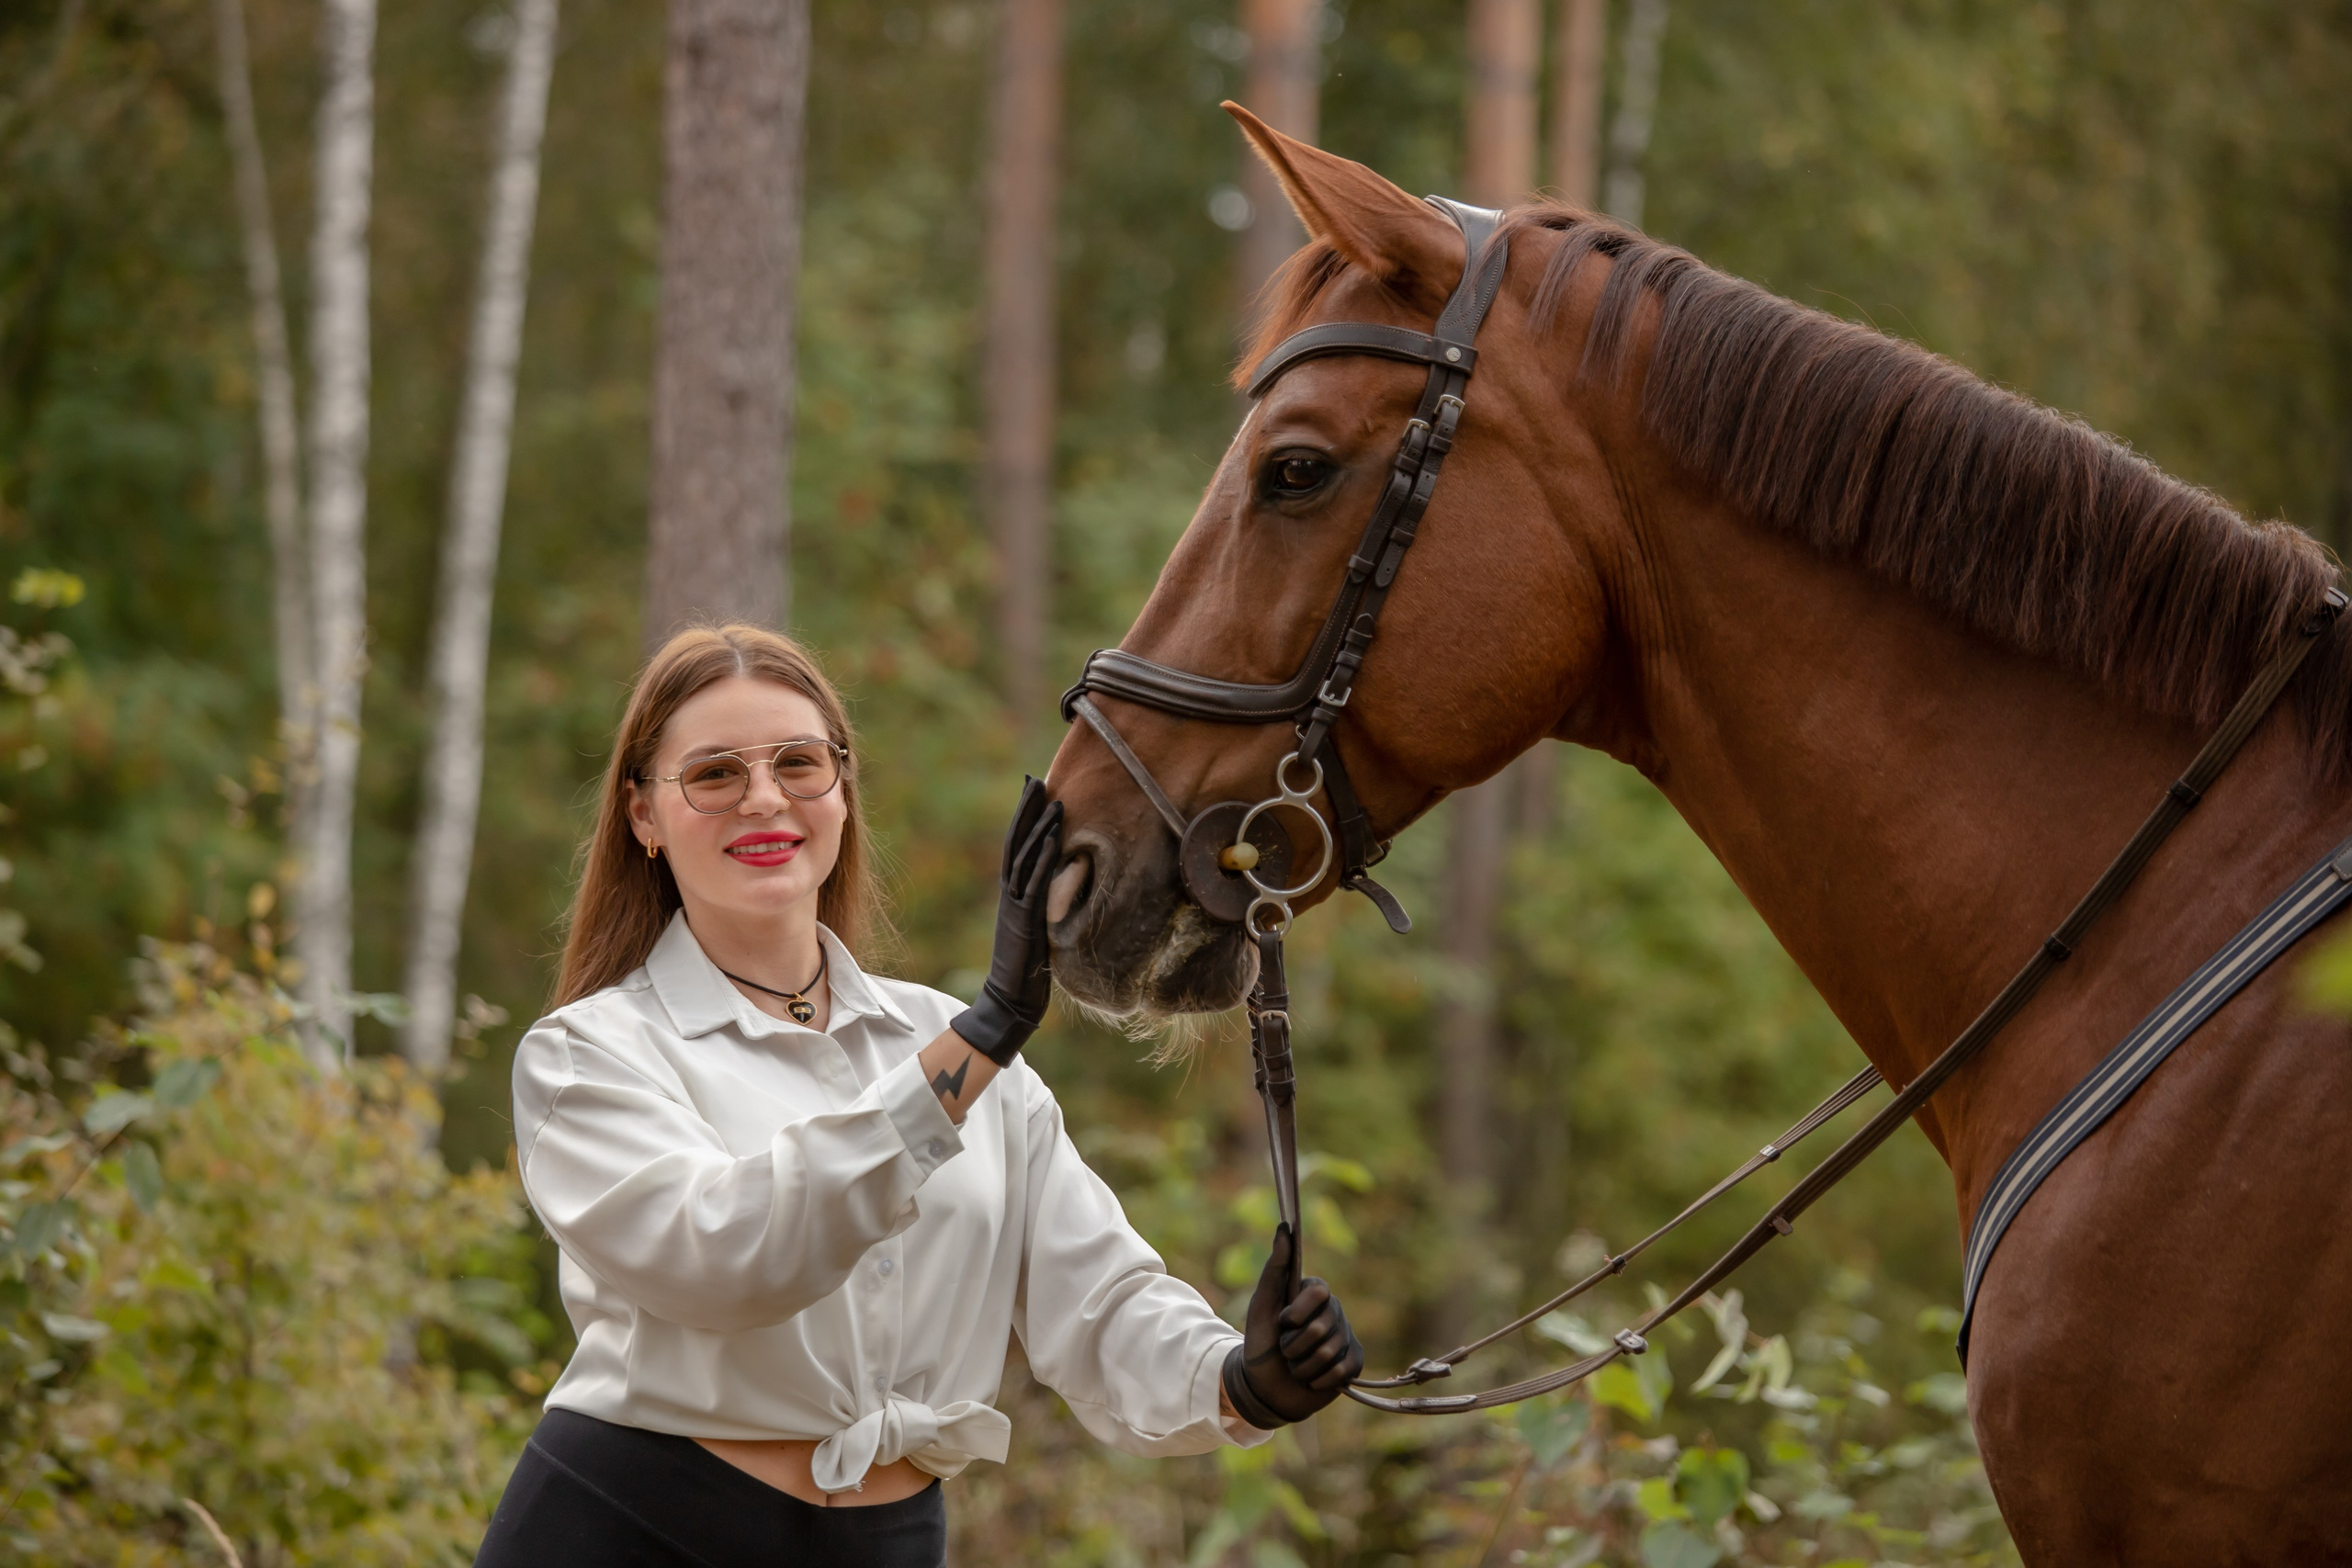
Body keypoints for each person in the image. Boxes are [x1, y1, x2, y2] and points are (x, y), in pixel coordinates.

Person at [474, 624, 1363, 1567]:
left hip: (888, 1542)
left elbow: (1097, 1300)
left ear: (843, 791)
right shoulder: (587, 1056)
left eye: (798, 763)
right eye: (714, 775)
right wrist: (976, 1043)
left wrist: (1242, 1380)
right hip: (634, 1531)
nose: (765, 797)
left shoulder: (951, 1044)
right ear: (643, 816)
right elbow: (730, 1257)